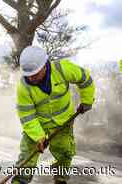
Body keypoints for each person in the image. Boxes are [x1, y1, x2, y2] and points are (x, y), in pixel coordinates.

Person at [12, 46, 95, 184]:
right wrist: (39, 137)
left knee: (64, 153)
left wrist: (86, 101)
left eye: (35, 74)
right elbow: (27, 115)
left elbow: (85, 79)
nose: (31, 78)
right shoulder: (23, 86)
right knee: (27, 156)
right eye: (28, 75)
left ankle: (60, 179)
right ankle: (19, 181)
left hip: (63, 123)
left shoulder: (62, 69)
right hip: (37, 125)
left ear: (45, 65)